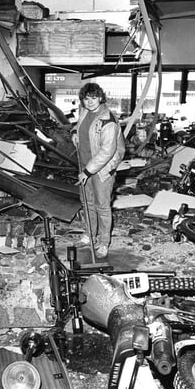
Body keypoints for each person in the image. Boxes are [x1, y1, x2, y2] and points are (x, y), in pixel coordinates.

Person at [71, 83, 125, 258]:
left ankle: (103, 243)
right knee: (87, 203)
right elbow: (80, 125)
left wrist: (87, 172)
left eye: (93, 98)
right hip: (84, 164)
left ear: (100, 98)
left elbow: (107, 151)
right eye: (86, 98)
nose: (89, 102)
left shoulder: (108, 120)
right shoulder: (84, 111)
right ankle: (89, 234)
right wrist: (74, 132)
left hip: (102, 169)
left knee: (102, 206)